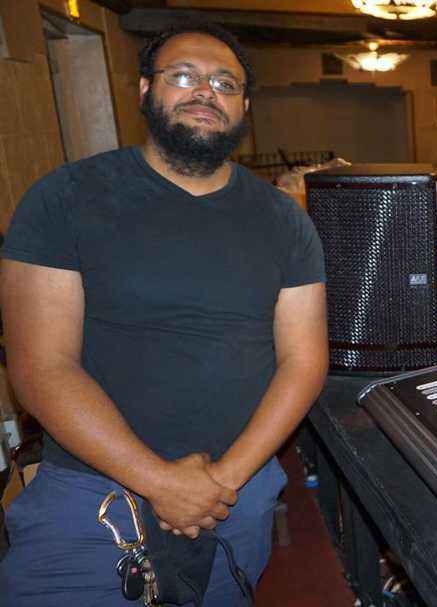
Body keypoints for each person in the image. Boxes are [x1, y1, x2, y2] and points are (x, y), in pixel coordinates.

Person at [0, 23, 328, 606]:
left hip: (236, 493)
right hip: (93, 489)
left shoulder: (284, 219)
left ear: (244, 105)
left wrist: (218, 485)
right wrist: (159, 482)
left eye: (224, 82)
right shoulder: (66, 198)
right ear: (146, 90)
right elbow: (40, 364)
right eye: (184, 76)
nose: (205, 91)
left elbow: (303, 360)